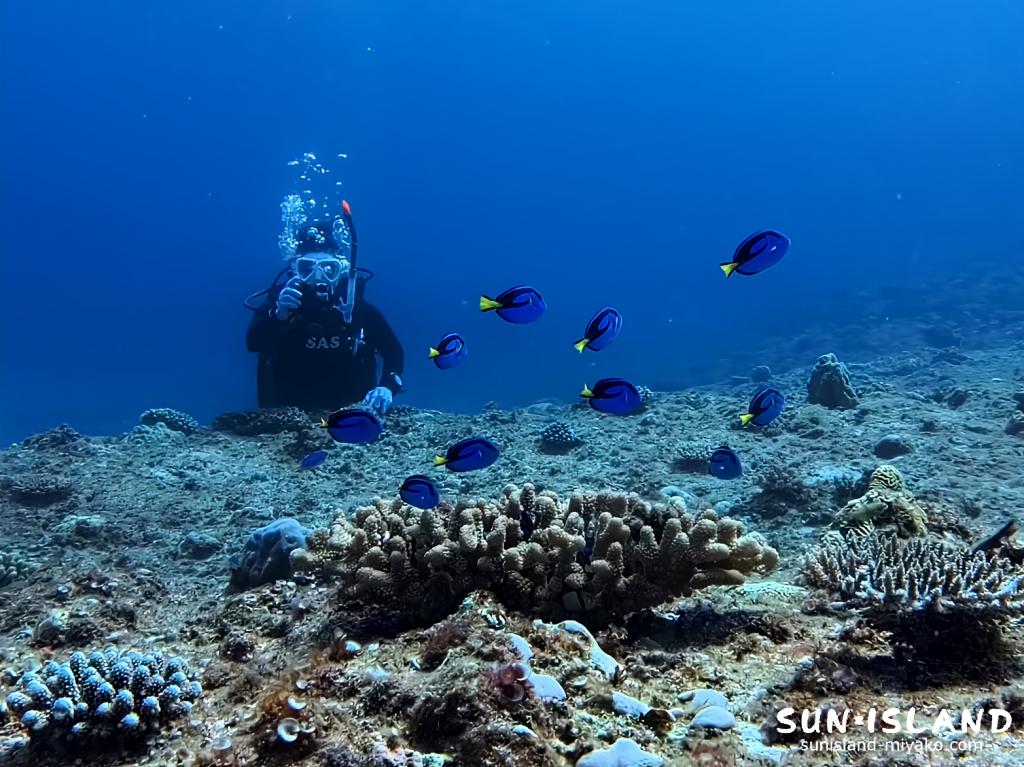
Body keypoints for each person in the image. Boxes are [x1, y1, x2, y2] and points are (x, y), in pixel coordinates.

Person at [244, 206, 404, 415]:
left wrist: (388, 386)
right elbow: (253, 343)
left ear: (342, 270)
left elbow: (393, 350)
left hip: (353, 415)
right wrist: (279, 316)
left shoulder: (357, 310)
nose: (318, 278)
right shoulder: (278, 306)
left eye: (329, 269)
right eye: (307, 269)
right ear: (294, 270)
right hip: (287, 413)